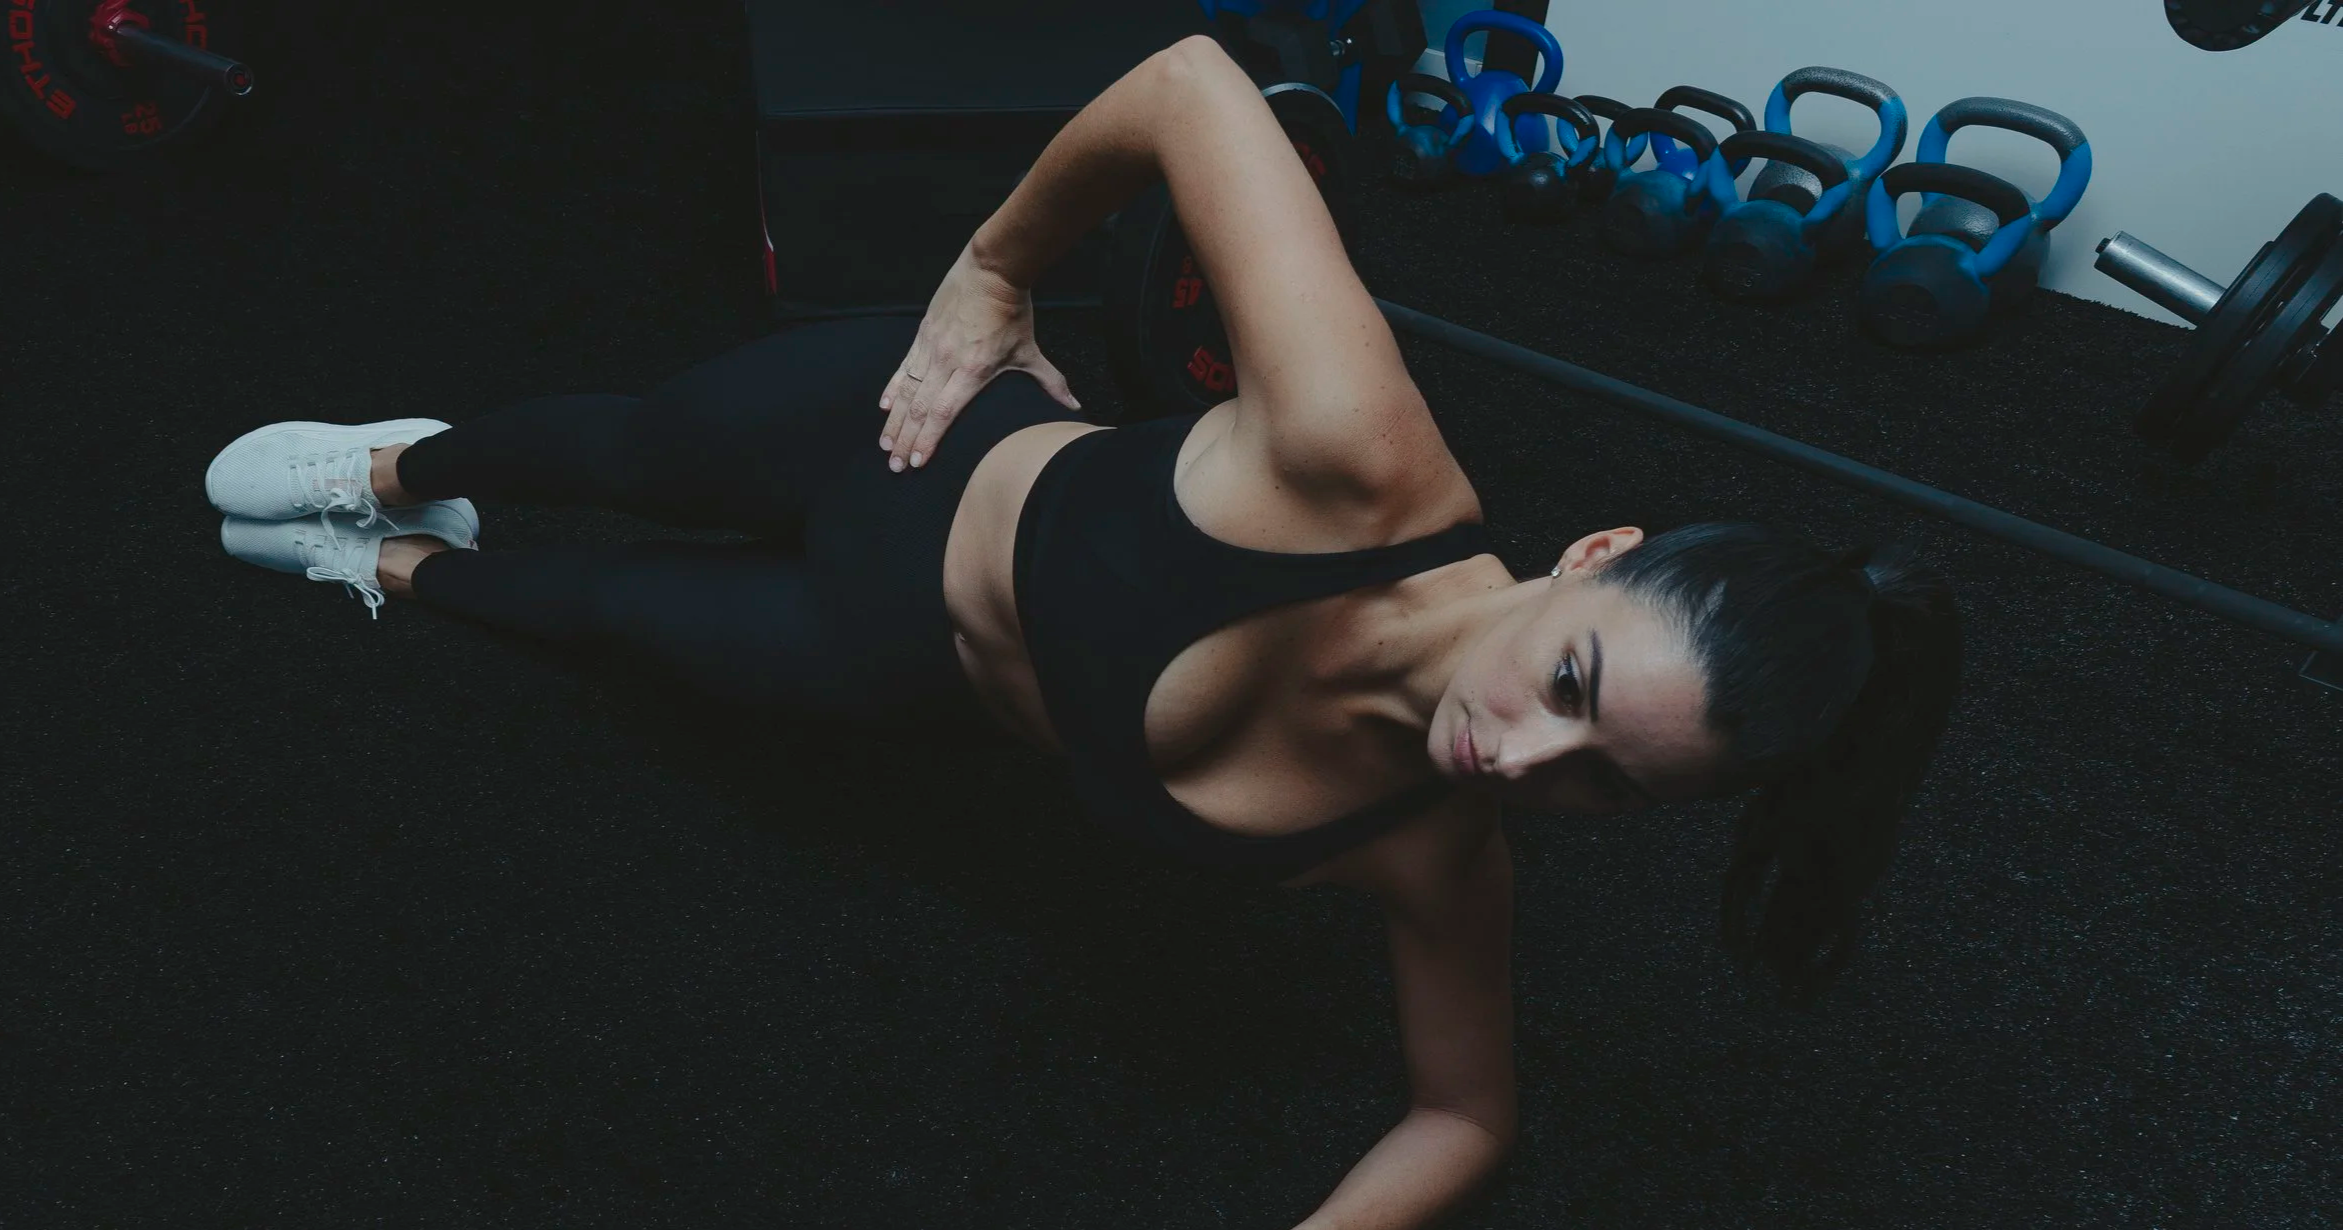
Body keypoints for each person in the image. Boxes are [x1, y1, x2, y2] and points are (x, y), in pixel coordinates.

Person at [203, 35, 1963, 1228]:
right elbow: (1191, 86)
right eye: (1568, 681)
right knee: (623, 450)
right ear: (1590, 553)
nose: (1517, 757)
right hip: (901, 437)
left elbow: (1466, 1118)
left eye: (1600, 785)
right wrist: (994, 272)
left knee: (612, 619)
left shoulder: (1433, 849)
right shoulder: (1356, 455)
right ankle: (399, 460)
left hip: (884, 659)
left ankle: (403, 566)